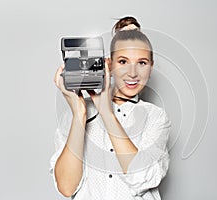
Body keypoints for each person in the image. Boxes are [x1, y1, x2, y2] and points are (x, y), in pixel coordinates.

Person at [50, 16, 171, 200]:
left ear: (151, 67)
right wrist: (79, 114)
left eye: (142, 63)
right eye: (123, 61)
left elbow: (142, 178)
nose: (132, 73)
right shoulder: (77, 112)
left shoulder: (155, 118)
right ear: (109, 64)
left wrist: (107, 113)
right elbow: (66, 187)